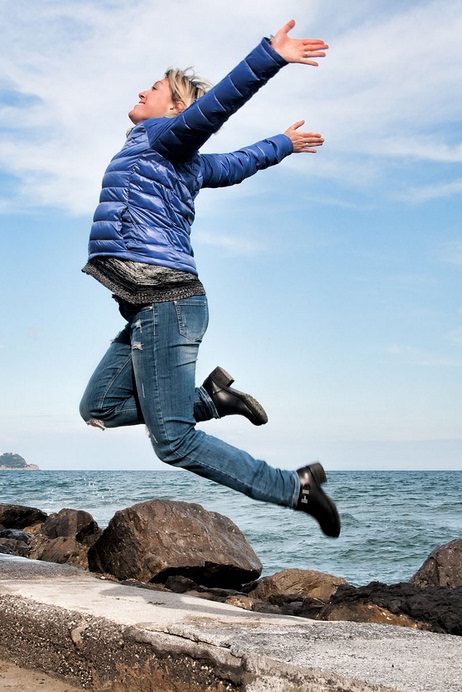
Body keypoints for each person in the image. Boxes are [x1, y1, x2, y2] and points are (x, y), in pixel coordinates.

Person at [80, 20, 340, 538]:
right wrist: (282, 143)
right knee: (99, 406)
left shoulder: (163, 137)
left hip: (168, 301)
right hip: (149, 305)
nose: (141, 92)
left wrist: (270, 57)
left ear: (175, 108)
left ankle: (296, 486)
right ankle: (212, 401)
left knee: (174, 441)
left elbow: (216, 108)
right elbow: (239, 163)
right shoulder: (178, 159)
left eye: (154, 88)